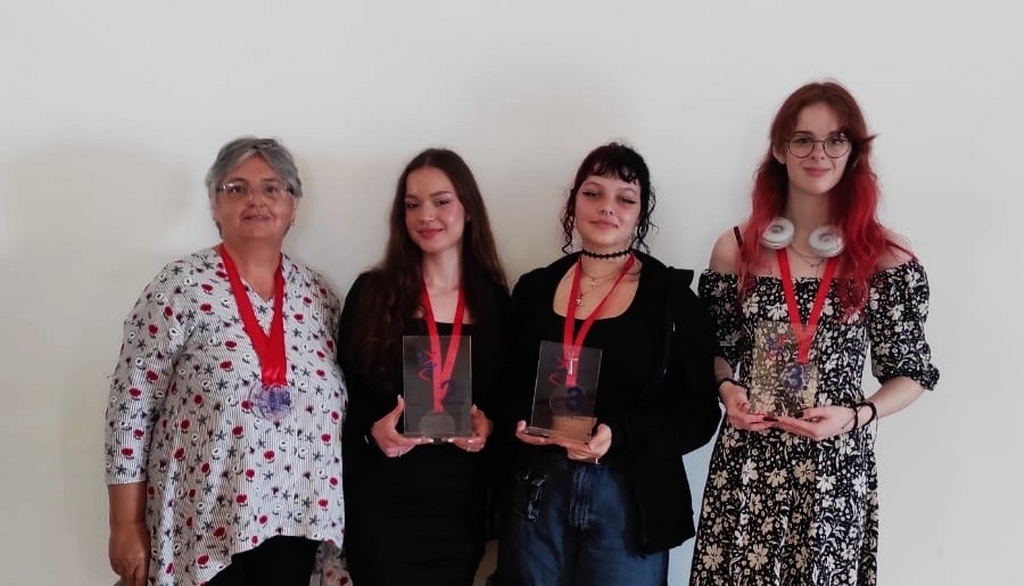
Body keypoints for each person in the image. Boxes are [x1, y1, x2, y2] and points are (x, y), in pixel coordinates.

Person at [688, 81, 940, 586]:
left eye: (835, 140)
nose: (818, 153)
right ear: (780, 150)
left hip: (834, 466)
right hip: (750, 461)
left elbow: (912, 373)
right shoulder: (735, 248)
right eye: (802, 139)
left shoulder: (885, 257)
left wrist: (857, 415)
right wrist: (727, 390)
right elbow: (715, 349)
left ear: (854, 151)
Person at [104, 137, 348, 586]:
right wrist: (125, 523)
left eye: (272, 188)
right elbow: (130, 409)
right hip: (203, 528)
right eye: (236, 188)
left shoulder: (319, 297)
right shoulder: (179, 287)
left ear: (293, 206)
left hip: (297, 526)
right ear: (215, 207)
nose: (255, 199)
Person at [492, 143, 722, 586]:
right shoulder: (534, 289)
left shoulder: (672, 300)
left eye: (625, 198)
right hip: (539, 491)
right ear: (573, 202)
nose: (607, 208)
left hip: (629, 499)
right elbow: (502, 385)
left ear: (641, 213)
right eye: (593, 193)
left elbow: (698, 414)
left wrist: (619, 433)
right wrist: (519, 421)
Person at [337, 148, 509, 586]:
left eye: (441, 201)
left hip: (458, 505)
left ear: (469, 209)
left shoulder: (494, 300)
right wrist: (372, 431)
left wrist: (488, 426)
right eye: (412, 204)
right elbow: (342, 395)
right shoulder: (372, 292)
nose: (426, 215)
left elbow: (508, 398)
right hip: (382, 502)